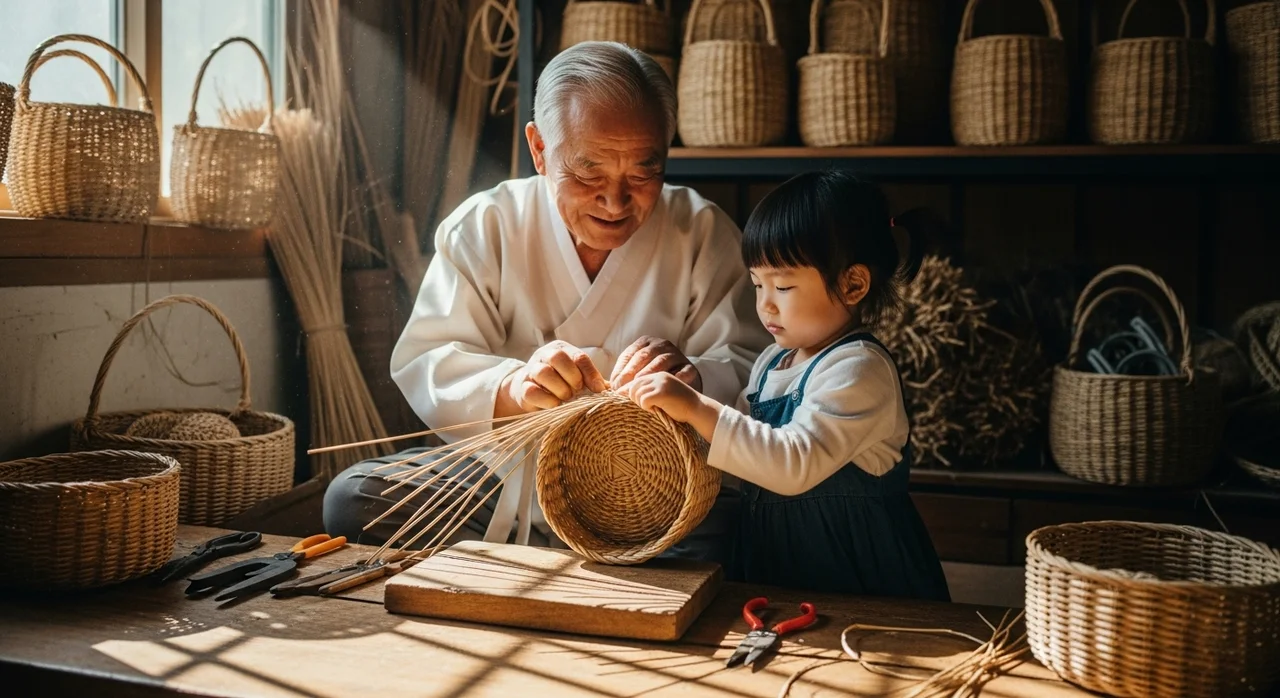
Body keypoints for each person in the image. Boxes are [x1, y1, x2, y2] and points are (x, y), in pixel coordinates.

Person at [321, 41, 771, 561]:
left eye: (642, 172)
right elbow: (430, 358)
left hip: (657, 495)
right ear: (539, 149)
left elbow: (756, 369)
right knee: (353, 498)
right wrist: (513, 387)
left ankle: (546, 560)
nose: (615, 201)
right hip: (504, 482)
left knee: (762, 525)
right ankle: (596, 566)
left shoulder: (702, 232)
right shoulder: (488, 224)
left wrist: (695, 380)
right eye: (588, 172)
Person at [618, 170, 951, 600]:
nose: (765, 305)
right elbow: (741, 451)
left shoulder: (859, 369)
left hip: (859, 581)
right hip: (777, 568)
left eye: (784, 286)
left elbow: (793, 463)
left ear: (853, 284)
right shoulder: (772, 361)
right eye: (758, 284)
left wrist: (697, 408)